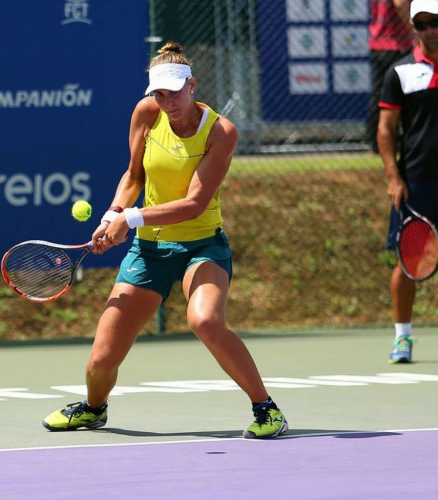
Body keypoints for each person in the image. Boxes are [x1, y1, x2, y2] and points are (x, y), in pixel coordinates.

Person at [42, 42, 289, 439]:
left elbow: (194, 203)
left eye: (174, 92)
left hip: (202, 245)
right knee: (101, 360)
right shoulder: (147, 113)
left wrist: (131, 219)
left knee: (205, 320)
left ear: (192, 85)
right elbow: (134, 177)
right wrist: (111, 216)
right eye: (159, 93)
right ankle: (93, 408)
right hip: (150, 250)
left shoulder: (221, 132)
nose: (167, 101)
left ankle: (267, 410)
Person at [378, 0, 438, 364]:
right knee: (409, 264)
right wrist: (394, 179)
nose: (428, 29)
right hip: (416, 185)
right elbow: (386, 131)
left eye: (434, 22)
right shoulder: (400, 73)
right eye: (421, 23)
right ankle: (403, 339)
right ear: (414, 26)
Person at [368, 0, 415, 154]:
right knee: (403, 98)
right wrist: (415, 32)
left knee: (381, 96)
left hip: (380, 42)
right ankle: (385, 143)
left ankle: (377, 143)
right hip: (397, 45)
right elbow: (400, 3)